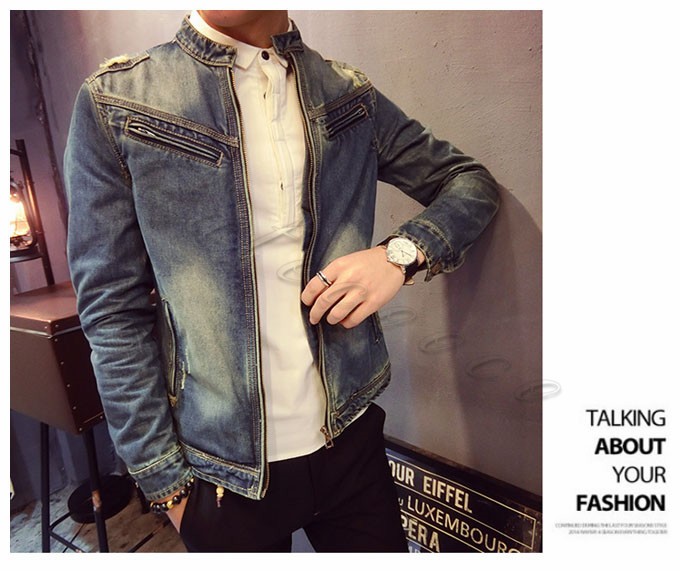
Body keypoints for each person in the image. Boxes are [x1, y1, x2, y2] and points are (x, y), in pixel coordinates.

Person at [64, 10, 499, 552]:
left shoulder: (345, 94)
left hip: (349, 442)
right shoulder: (121, 101)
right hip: (219, 472)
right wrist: (166, 485)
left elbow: (468, 183)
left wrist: (399, 256)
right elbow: (112, 311)